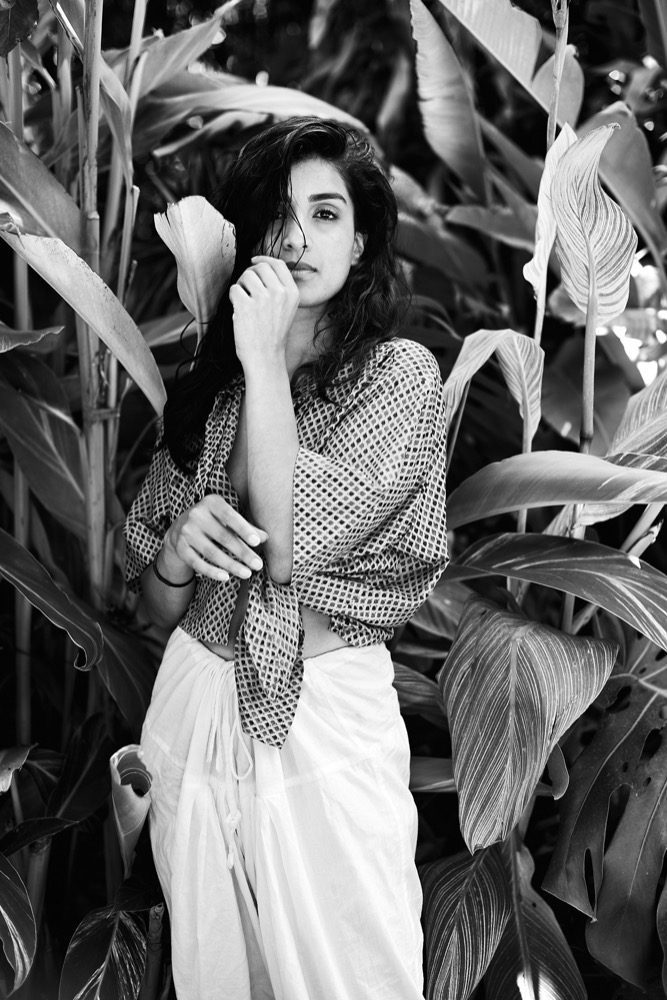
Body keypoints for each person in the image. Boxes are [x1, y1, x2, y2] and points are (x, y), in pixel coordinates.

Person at [123, 116, 448, 1000]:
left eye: (327, 213)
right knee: (220, 977)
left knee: (357, 973)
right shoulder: (211, 391)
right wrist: (178, 552)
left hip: (321, 718)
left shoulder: (396, 378)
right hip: (194, 707)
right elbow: (153, 609)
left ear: (361, 240)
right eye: (278, 214)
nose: (298, 238)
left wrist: (265, 358)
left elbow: (287, 549)